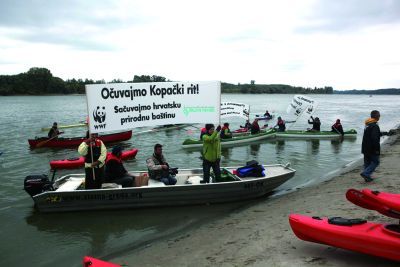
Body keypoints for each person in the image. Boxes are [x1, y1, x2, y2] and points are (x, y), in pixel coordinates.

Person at [360, 110, 389, 182]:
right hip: (372, 148)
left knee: (367, 162)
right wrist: (376, 149)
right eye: (379, 115)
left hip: (365, 147)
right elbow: (374, 138)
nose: (379, 116)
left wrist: (384, 133)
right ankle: (366, 173)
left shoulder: (367, 124)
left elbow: (371, 135)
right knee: (376, 162)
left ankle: (367, 177)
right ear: (376, 116)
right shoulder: (375, 126)